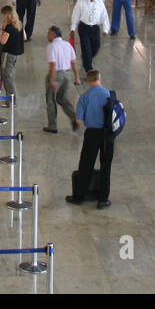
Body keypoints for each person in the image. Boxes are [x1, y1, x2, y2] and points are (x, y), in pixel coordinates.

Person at [66, 70, 115, 209]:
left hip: (92, 134)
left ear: (88, 81)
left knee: (86, 164)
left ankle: (79, 196)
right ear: (100, 79)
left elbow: (79, 120)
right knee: (106, 166)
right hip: (108, 135)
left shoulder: (84, 97)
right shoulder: (109, 95)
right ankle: (103, 200)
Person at [43, 25, 81, 133]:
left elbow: (53, 65)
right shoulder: (68, 45)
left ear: (54, 35)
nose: (47, 35)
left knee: (51, 100)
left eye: (49, 33)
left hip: (56, 74)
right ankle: (74, 118)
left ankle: (52, 126)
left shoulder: (51, 46)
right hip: (67, 75)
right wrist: (77, 78)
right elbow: (74, 63)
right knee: (62, 99)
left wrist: (52, 80)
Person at [71, 0, 110, 70]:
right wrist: (73, 28)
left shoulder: (99, 2)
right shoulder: (81, 2)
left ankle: (86, 58)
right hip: (84, 28)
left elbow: (104, 16)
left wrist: (105, 29)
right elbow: (75, 15)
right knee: (86, 49)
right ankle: (89, 69)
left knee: (96, 47)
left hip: (95, 29)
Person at [0, 5, 25, 107]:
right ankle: (11, 99)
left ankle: (11, 100)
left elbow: (3, 41)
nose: (3, 18)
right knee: (9, 75)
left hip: (8, 54)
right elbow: (24, 37)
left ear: (7, 15)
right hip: (16, 53)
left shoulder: (9, 27)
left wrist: (2, 30)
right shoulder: (19, 24)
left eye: (4, 15)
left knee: (7, 76)